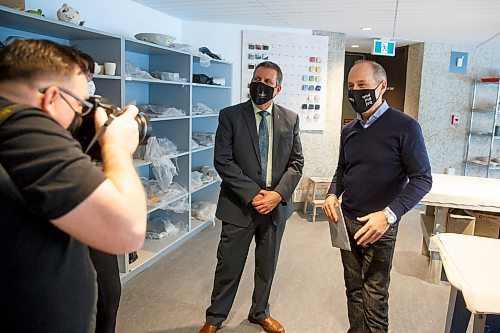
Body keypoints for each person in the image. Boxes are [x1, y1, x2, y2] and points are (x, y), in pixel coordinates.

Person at [0, 39, 147, 332]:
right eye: (79, 105)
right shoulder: (24, 128)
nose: (80, 116)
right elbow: (126, 231)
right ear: (52, 97)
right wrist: (117, 146)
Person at [322, 60, 432, 332]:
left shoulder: (405, 127)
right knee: (353, 288)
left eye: (363, 85)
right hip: (346, 221)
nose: (356, 91)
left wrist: (388, 216)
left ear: (381, 87)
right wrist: (332, 194)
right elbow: (342, 169)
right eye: (351, 86)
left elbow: (422, 179)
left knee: (374, 294)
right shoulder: (349, 130)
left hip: (379, 226)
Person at [199, 61, 304, 333]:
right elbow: (223, 161)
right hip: (239, 206)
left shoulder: (290, 119)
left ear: (277, 88)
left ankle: (260, 312)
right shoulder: (230, 116)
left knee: (266, 266)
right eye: (257, 78)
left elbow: (296, 163)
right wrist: (254, 194)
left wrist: (277, 195)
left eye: (268, 82)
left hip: (275, 208)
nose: (261, 84)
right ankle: (214, 318)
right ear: (250, 82)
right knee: (228, 266)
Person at [78, 50, 122, 333]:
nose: (89, 82)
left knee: (109, 291)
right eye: (83, 76)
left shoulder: (95, 113)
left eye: (91, 76)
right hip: (58, 215)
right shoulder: (37, 124)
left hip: (94, 212)